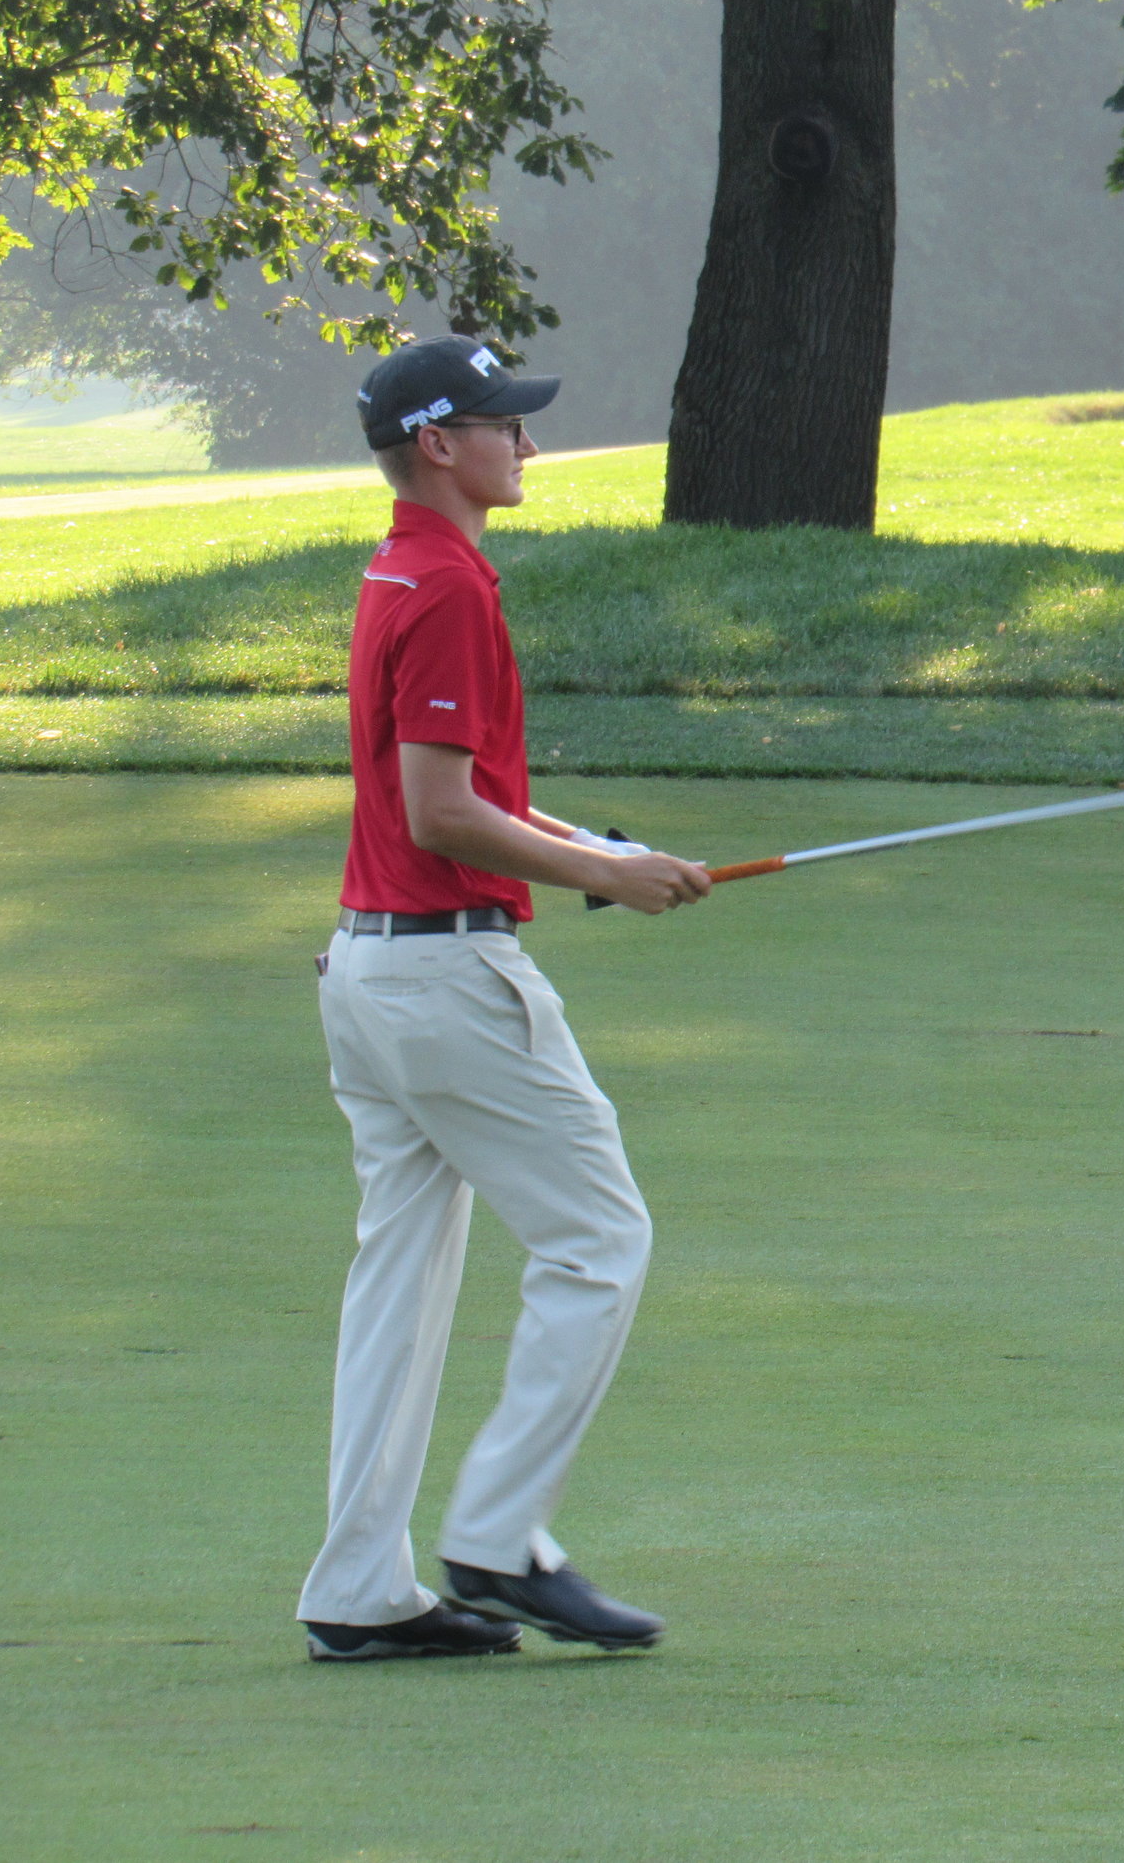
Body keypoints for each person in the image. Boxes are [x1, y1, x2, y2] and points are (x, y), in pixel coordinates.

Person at [295, 336, 711, 1662]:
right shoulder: (450, 589)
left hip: (371, 971)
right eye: (502, 424)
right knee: (600, 1239)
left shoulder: (402, 568)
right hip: (444, 978)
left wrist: (600, 851)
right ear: (439, 444)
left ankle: (358, 1589)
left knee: (400, 1285)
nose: (527, 444)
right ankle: (498, 1537)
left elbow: (456, 791)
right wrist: (607, 876)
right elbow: (440, 811)